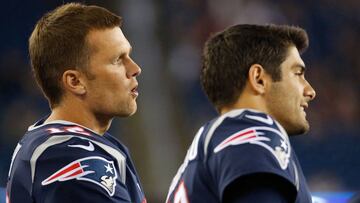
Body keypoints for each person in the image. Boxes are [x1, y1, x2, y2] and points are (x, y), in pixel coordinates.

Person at [6, 3, 146, 203]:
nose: (135, 68)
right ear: (75, 81)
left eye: (129, 56)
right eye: (117, 60)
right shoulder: (66, 156)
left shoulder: (68, 144)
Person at [166, 24, 316, 203]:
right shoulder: (254, 134)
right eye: (298, 73)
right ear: (259, 78)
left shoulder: (211, 145)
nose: (310, 91)